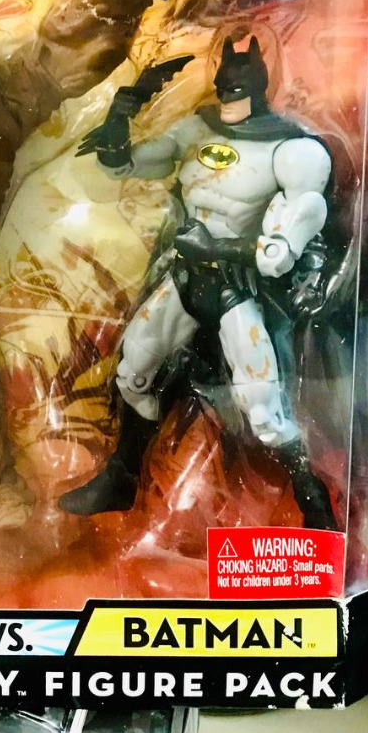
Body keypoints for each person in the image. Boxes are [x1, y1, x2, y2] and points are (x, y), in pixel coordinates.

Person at [59, 34, 337, 530]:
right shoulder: (195, 130)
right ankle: (122, 477)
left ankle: (314, 502)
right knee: (134, 372)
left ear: (259, 86)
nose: (227, 94)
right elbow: (127, 164)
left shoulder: (292, 151)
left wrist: (220, 250)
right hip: (185, 277)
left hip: (237, 288)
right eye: (223, 85)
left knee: (264, 411)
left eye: (238, 87)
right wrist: (119, 119)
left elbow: (278, 254)